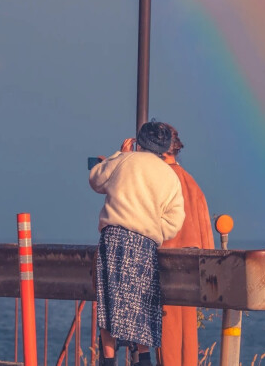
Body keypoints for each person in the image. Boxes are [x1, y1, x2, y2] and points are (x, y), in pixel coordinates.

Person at [89, 121, 185, 366]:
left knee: (109, 305)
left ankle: (109, 361)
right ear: (165, 148)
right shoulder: (170, 176)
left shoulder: (125, 160)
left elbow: (96, 179)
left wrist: (119, 153)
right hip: (144, 244)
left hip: (113, 239)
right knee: (142, 308)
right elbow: (175, 220)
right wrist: (153, 229)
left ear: (139, 141)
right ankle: (144, 361)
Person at [158, 125, 214, 366]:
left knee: (166, 336)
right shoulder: (192, 183)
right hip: (192, 267)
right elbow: (206, 236)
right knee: (187, 338)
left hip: (164, 263)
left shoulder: (161, 180)